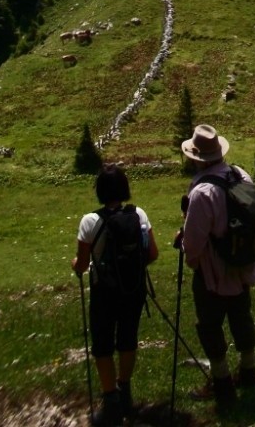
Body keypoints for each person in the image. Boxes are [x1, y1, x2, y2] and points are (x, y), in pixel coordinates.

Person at [179, 123, 255, 413]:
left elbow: (193, 243)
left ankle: (222, 380)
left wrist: (193, 262)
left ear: (195, 158)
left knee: (210, 324)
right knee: (241, 315)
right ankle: (249, 369)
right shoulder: (240, 175)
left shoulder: (202, 192)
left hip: (213, 272)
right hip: (243, 264)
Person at [72, 163, 159, 426]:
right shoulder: (139, 215)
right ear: (124, 189)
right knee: (128, 338)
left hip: (104, 291)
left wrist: (74, 264)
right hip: (133, 289)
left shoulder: (90, 221)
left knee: (102, 343)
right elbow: (152, 254)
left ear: (99, 191)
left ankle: (110, 399)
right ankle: (125, 389)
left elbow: (83, 264)